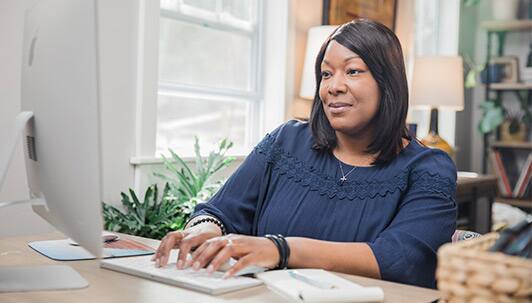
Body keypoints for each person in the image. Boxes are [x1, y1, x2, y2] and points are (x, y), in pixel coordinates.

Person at [153, 18, 457, 289]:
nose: (333, 87)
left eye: (352, 71)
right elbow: (219, 212)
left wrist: (281, 250)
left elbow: (402, 258)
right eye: (326, 74)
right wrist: (202, 231)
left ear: (387, 83)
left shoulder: (428, 168)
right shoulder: (285, 141)